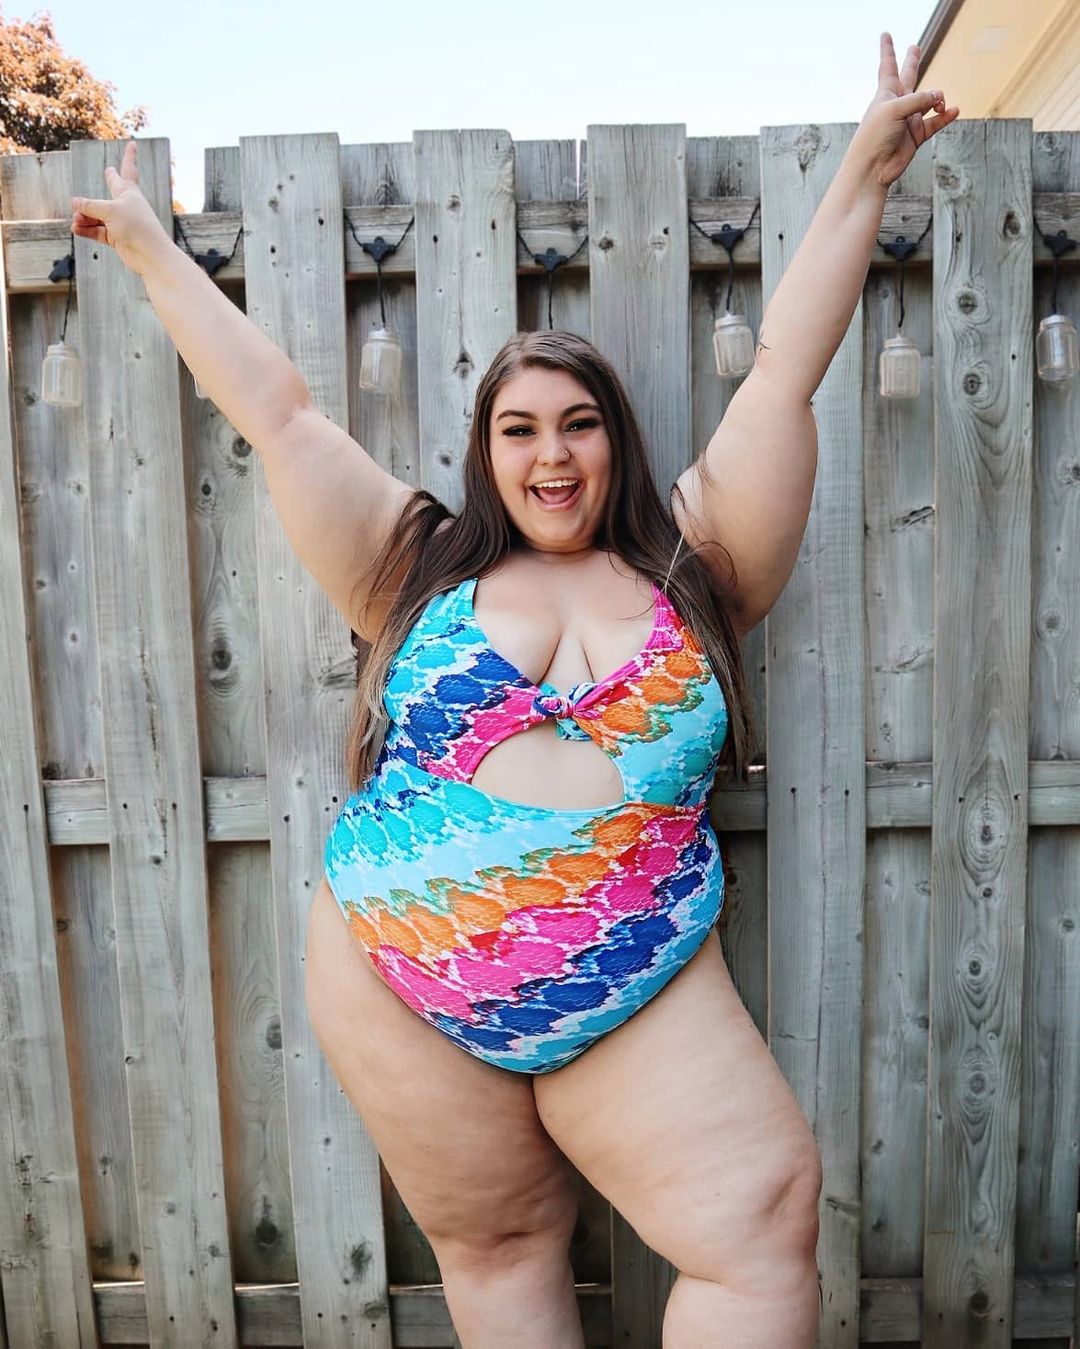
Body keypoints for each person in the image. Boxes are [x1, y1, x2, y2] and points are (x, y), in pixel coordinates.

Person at [71, 33, 956, 1348]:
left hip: (632, 970)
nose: (553, 455)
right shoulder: (416, 568)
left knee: (760, 1226)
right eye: (520, 428)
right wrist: (150, 249)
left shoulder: (696, 567)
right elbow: (282, 415)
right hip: (398, 970)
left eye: (579, 423)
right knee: (497, 1249)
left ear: (617, 440)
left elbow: (784, 368)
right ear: (487, 451)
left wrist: (865, 175)